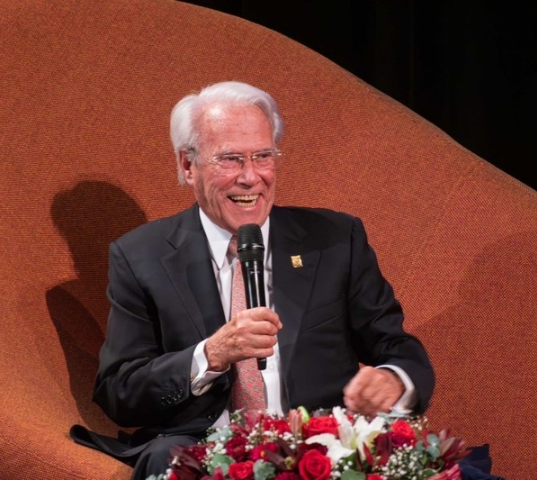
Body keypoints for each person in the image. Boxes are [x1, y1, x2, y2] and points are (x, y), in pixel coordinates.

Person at [88, 81, 435, 479]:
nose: (251, 177)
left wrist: (393, 380)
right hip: (204, 451)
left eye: (263, 156)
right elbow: (119, 390)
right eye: (231, 159)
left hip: (320, 448)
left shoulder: (335, 240)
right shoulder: (141, 256)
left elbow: (397, 347)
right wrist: (210, 355)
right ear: (188, 165)